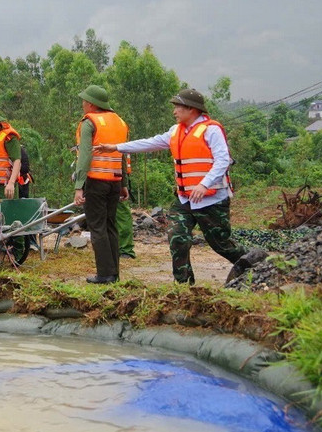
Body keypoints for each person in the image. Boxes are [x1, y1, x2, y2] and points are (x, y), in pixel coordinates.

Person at [95, 88, 248, 285]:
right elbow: (150, 143)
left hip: (212, 200)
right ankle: (184, 285)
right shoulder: (176, 131)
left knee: (222, 245)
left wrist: (204, 184)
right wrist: (116, 147)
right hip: (185, 200)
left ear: (191, 109)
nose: (174, 111)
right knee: (177, 237)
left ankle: (256, 265)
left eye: (178, 107)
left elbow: (223, 160)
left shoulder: (211, 130)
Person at [74, 85, 129, 284]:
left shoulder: (90, 122)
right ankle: (114, 273)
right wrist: (124, 183)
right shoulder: (120, 122)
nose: (82, 104)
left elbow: (85, 155)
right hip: (114, 181)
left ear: (91, 103)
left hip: (96, 181)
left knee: (97, 227)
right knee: (111, 226)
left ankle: (105, 274)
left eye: (83, 101)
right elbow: (123, 153)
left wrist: (79, 186)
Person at [117, 154, 136, 259]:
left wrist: (123, 184)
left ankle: (125, 249)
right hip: (94, 177)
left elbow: (121, 158)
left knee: (121, 215)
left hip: (115, 177)